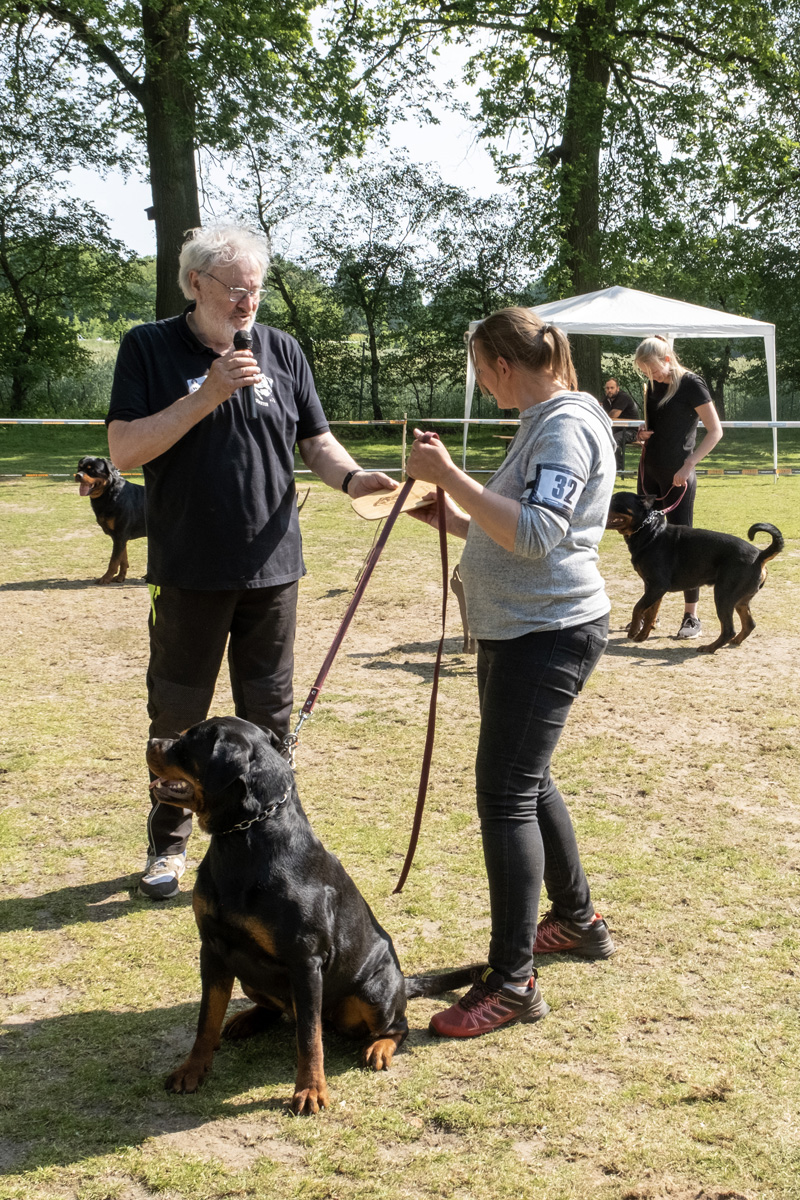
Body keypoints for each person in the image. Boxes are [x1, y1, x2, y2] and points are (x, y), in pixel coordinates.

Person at [107, 224, 396, 900]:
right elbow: (123, 451)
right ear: (196, 284)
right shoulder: (148, 347)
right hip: (188, 569)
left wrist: (354, 482)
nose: (248, 303)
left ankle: (272, 845)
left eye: (257, 290)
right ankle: (168, 849)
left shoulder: (283, 350)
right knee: (177, 720)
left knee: (269, 720)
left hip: (273, 570)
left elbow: (317, 442)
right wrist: (206, 395)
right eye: (237, 290)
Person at [405, 307, 616, 1040]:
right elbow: (513, 524)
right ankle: (578, 920)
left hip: (546, 632)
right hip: (519, 628)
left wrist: (449, 474)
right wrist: (451, 515)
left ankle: (513, 982)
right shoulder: (542, 418)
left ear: (499, 364)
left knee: (505, 797)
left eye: (476, 367)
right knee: (530, 782)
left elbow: (538, 534)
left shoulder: (563, 425)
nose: (477, 379)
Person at [632, 336, 723, 640]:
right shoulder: (651, 387)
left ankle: (691, 617)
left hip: (679, 477)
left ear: (668, 358)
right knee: (648, 544)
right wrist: (641, 434)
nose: (652, 376)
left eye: (655, 370)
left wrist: (689, 465)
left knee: (684, 546)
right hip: (650, 474)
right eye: (646, 372)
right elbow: (654, 429)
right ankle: (650, 614)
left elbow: (715, 431)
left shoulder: (691, 384)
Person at [601, 378, 640, 471]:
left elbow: (614, 415)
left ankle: (618, 469)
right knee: (600, 439)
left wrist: (602, 415)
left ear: (617, 388)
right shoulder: (606, 400)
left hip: (631, 431)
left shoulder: (623, 397)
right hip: (616, 430)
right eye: (607, 388)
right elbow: (607, 415)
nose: (609, 390)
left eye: (612, 388)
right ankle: (603, 468)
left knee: (613, 440)